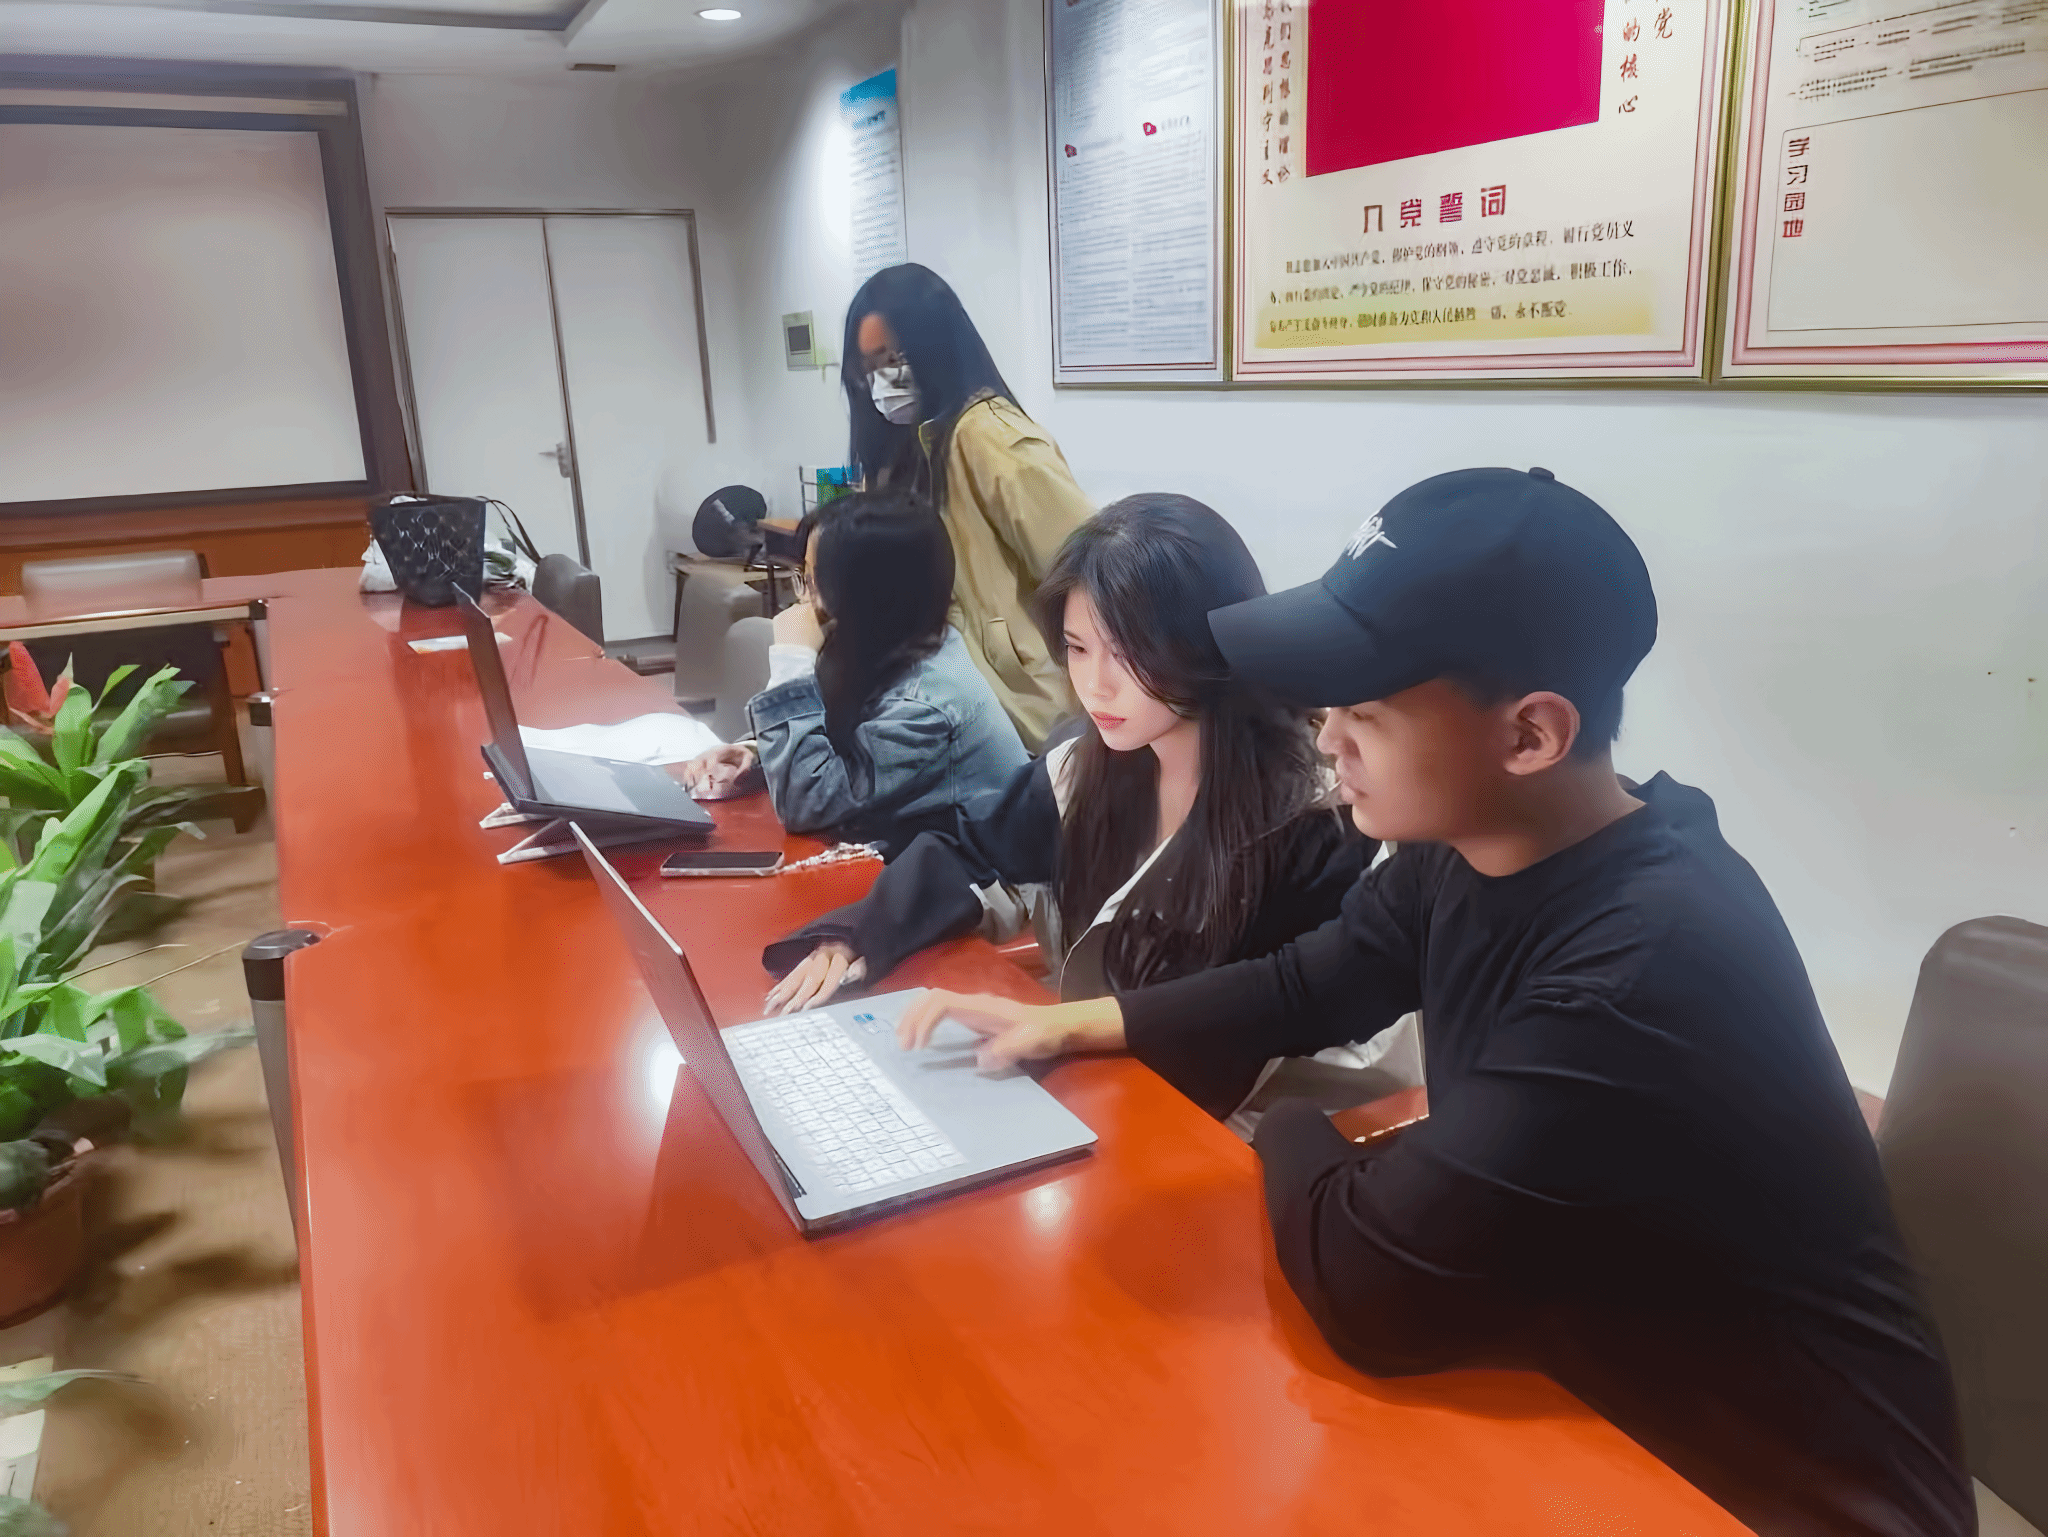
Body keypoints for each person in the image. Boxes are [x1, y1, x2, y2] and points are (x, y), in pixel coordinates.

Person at [896, 469, 1972, 1536]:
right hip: (1582, 1393)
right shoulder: (1475, 843)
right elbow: (1310, 979)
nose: (1327, 740)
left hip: (1763, 1487)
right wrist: (1072, 1020)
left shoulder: (1637, 965)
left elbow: (1369, 1286)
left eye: (1364, 711)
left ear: (1529, 735)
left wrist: (1288, 1125)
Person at [759, 493, 1375, 1027]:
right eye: (1078, 649)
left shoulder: (1313, 812)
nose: (1096, 685)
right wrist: (857, 934)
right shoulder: (1086, 766)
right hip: (1096, 1077)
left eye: (1129, 653)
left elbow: (1278, 1022)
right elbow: (970, 851)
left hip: (1216, 1108)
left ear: (1208, 642)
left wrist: (1062, 1033)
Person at [683, 488, 1028, 849]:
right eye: (803, 577)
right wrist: (754, 754)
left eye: (814, 582)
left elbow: (806, 803)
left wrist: (792, 660)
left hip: (977, 874)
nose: (805, 601)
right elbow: (839, 737)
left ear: (869, 595)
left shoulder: (926, 702)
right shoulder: (884, 642)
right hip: (911, 854)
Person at [842, 263, 1095, 752]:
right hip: (935, 712)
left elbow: (1093, 577)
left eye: (893, 358)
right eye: (868, 367)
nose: (881, 380)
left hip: (1023, 726)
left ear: (933, 347)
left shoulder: (990, 439)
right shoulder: (893, 453)